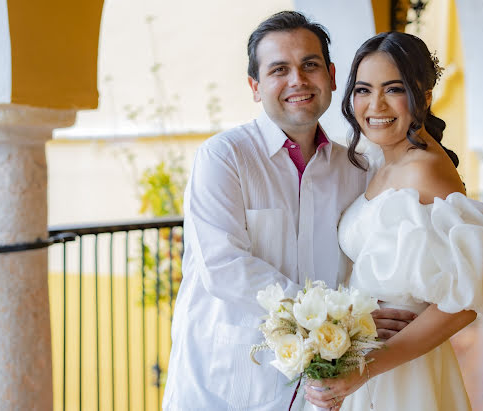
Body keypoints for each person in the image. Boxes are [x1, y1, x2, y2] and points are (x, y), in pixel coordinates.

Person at [162, 12, 416, 411]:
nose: (297, 80)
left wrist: (368, 318)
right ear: (254, 86)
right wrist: (339, 319)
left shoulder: (358, 169)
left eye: (310, 65)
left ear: (332, 76)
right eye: (279, 69)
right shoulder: (224, 157)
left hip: (322, 387)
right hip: (225, 385)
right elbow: (224, 267)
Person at [304, 31, 483, 410]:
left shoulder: (425, 171)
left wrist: (368, 368)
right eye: (362, 90)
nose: (375, 105)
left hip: (397, 371)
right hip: (360, 355)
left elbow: (464, 303)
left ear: (423, 95)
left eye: (393, 89)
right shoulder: (381, 159)